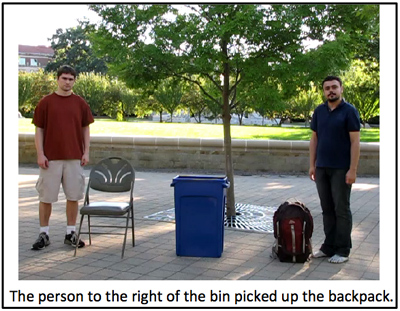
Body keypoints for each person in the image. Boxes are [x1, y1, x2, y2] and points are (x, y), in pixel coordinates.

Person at [31, 65, 94, 250]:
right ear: (57, 79)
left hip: (74, 157)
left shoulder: (80, 103)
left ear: (74, 81)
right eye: (64, 78)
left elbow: (85, 128)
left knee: (73, 196)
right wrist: (40, 153)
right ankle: (44, 233)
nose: (67, 82)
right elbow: (39, 129)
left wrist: (86, 151)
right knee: (46, 197)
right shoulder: (46, 102)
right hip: (50, 158)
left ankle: (70, 232)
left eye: (71, 79)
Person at [309, 76, 360, 264]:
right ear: (323, 91)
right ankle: (328, 246)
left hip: (341, 168)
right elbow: (314, 139)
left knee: (341, 209)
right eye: (327, 88)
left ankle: (343, 250)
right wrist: (312, 164)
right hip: (322, 168)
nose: (331, 90)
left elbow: (355, 142)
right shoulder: (319, 111)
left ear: (341, 89)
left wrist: (352, 169)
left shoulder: (349, 111)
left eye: (334, 87)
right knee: (327, 209)